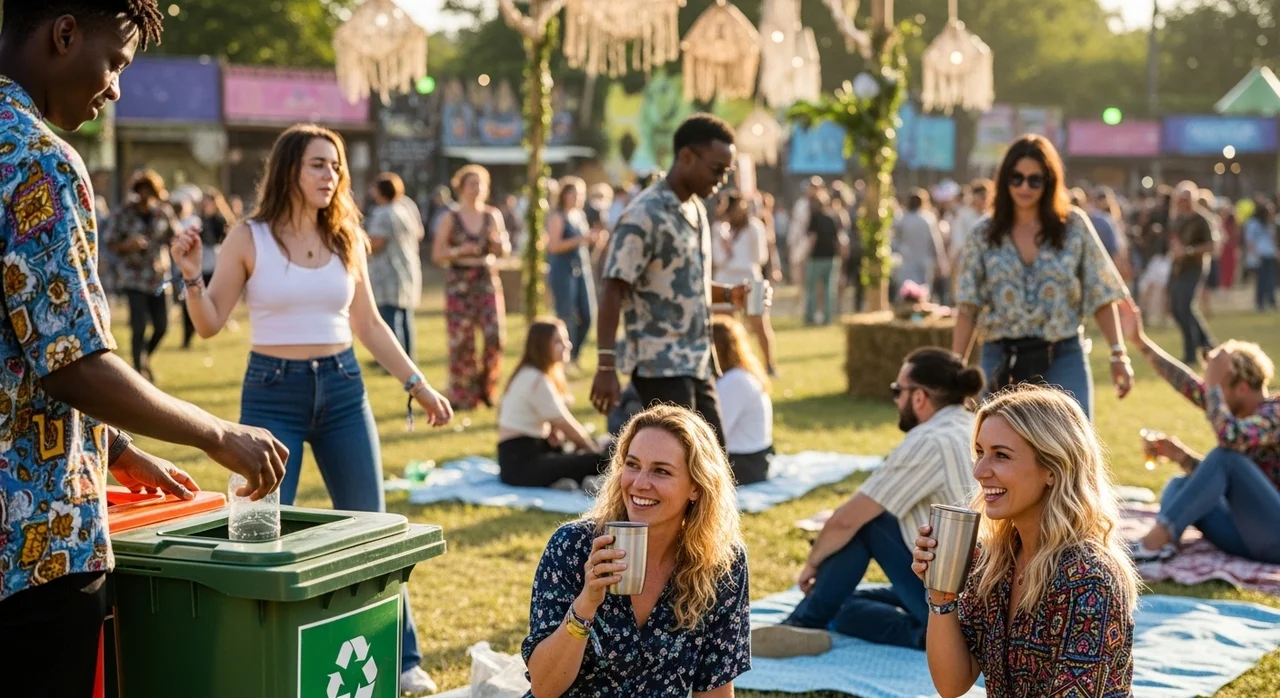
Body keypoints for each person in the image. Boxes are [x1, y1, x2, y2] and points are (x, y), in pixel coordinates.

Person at [0, 3, 287, 695]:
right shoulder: (36, 159)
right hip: (32, 551)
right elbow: (72, 364)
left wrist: (118, 450)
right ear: (64, 33)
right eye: (115, 63)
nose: (115, 89)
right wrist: (217, 433)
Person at [171, 123, 452, 696]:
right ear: (289, 170)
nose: (331, 175)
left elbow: (369, 324)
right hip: (272, 392)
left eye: (336, 165)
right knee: (260, 529)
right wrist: (193, 276)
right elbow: (209, 324)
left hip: (344, 389)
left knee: (373, 526)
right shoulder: (249, 237)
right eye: (318, 164)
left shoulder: (347, 234)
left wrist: (417, 384)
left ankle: (401, 658)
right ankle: (260, 653)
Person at [912, 385, 1140, 698]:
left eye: (1001, 455)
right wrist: (942, 595)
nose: (979, 471)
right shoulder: (995, 562)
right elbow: (952, 685)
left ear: (1053, 469)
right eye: (980, 452)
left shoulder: (1088, 579)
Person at [752, 349, 983, 655]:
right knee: (846, 604)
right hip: (979, 594)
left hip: (950, 596)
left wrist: (811, 564)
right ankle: (927, 635)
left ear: (918, 397)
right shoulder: (972, 425)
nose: (895, 400)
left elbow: (848, 519)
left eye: (897, 391)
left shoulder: (928, 441)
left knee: (869, 522)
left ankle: (804, 622)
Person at [521, 405, 751, 697]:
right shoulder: (573, 546)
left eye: (661, 471)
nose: (639, 484)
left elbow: (714, 689)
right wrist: (586, 603)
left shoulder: (720, 563)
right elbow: (544, 688)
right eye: (632, 465)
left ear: (696, 486)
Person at [590, 114, 761, 447]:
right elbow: (613, 288)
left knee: (714, 457)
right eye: (716, 169)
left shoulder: (695, 209)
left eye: (726, 172)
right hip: (660, 366)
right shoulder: (644, 214)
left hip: (698, 361)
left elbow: (686, 286)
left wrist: (730, 294)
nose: (721, 180)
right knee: (681, 459)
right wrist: (605, 365)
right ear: (686, 157)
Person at [951, 135, 1133, 420]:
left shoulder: (1073, 227)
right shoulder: (983, 234)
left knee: (1071, 441)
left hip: (1063, 353)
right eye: (1017, 178)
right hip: (1001, 355)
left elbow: (1100, 293)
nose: (1024, 187)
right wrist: (956, 368)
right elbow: (968, 305)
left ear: (1049, 182)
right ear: (1004, 179)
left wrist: (1118, 353)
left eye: (1035, 180)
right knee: (998, 441)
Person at [1117, 302, 1280, 564]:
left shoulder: (1275, 413)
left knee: (1226, 457)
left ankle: (1153, 543)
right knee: (1179, 485)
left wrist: (1213, 387)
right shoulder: (1232, 411)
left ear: (1241, 388)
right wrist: (1139, 341)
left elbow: (1229, 439)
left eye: (1217, 388)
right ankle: (1163, 545)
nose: (1212, 396)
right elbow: (1186, 384)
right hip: (1247, 535)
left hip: (1275, 537)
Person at [432, 164, 511, 410]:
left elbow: (504, 249)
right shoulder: (451, 217)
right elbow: (437, 254)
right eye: (472, 184)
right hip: (460, 282)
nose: (477, 189)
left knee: (494, 336)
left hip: (486, 280)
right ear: (461, 187)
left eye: (481, 184)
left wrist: (499, 246)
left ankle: (487, 388)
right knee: (461, 341)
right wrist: (459, 251)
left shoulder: (492, 215)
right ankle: (463, 394)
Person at [497, 318, 609, 489]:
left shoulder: (530, 374)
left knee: (590, 452)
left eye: (566, 339)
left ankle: (566, 481)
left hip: (528, 454)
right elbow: (566, 425)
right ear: (541, 346)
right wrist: (592, 449)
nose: (568, 345)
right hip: (521, 464)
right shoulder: (535, 379)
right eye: (558, 341)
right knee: (599, 459)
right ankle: (587, 481)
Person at [106, 168, 182, 381]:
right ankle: (138, 370)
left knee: (162, 325)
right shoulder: (123, 213)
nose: (145, 195)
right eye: (142, 190)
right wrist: (127, 245)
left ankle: (145, 355)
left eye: (150, 190)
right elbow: (109, 241)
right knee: (138, 325)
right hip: (133, 277)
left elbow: (175, 236)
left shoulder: (163, 212)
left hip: (158, 277)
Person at [713, 190, 778, 374]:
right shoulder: (719, 229)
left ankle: (769, 364)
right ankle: (729, 365)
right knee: (723, 326)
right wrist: (726, 249)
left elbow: (760, 257)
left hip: (750, 277)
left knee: (759, 324)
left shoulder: (754, 227)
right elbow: (717, 259)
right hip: (725, 278)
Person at [367, 172, 425, 361]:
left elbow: (377, 242)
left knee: (389, 316)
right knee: (405, 315)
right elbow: (420, 233)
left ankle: (392, 359)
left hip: (388, 271)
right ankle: (409, 357)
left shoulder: (382, 213)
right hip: (407, 267)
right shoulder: (406, 208)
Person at [711, 317, 774, 486]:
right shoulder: (741, 375)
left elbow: (716, 431)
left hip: (745, 464)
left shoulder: (734, 381)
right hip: (754, 459)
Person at [546, 176, 597, 370]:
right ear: (564, 195)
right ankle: (564, 360)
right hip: (563, 269)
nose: (577, 197)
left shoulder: (580, 216)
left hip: (582, 268)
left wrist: (594, 242)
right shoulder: (557, 217)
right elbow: (553, 246)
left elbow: (585, 247)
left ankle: (574, 355)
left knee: (588, 315)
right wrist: (580, 239)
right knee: (566, 316)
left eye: (580, 194)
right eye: (574, 193)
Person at [1167, 181, 1219, 363]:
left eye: (1187, 199)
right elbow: (1174, 240)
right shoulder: (1177, 218)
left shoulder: (1201, 219)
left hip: (1195, 267)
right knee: (1177, 308)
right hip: (1178, 267)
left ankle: (1191, 353)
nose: (1184, 203)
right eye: (1181, 199)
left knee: (1185, 306)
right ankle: (1208, 345)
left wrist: (1188, 251)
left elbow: (1212, 246)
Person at [181, 187, 233, 349]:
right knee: (190, 300)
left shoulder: (221, 220)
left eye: (208, 202)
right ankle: (187, 337)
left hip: (214, 266)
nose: (205, 205)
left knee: (210, 300)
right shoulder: (196, 219)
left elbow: (220, 241)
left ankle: (210, 327)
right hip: (198, 266)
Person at [892, 188, 948, 292]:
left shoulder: (901, 220)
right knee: (923, 292)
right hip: (924, 263)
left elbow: (894, 242)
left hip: (906, 262)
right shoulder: (928, 219)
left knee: (907, 292)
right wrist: (941, 262)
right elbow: (936, 242)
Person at [1245, 201, 1277, 311]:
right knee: (1262, 280)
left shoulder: (1269, 223)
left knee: (1271, 279)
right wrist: (1254, 255)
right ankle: (1260, 303)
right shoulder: (1253, 223)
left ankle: (1271, 301)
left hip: (1270, 254)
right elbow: (1250, 241)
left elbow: (1272, 239)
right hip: (1260, 255)